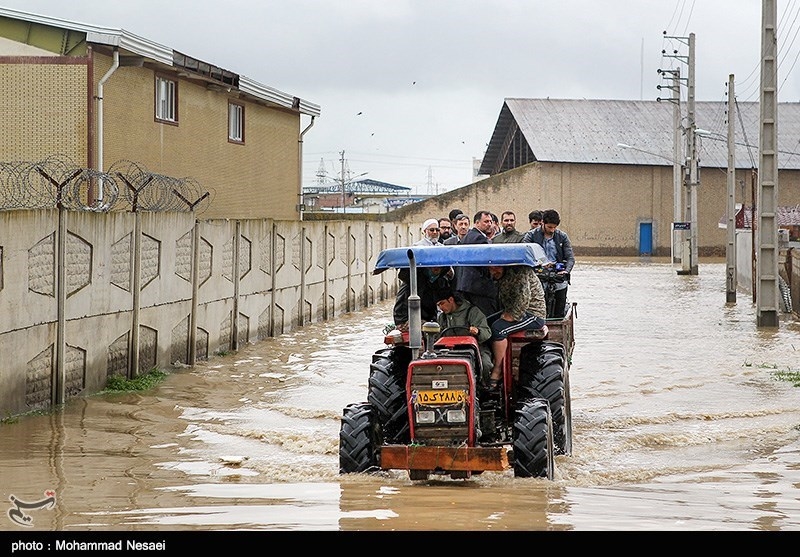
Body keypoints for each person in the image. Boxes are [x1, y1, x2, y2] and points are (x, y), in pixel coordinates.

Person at [485, 264, 547, 391]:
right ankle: (486, 362)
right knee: (486, 324)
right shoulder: (502, 276)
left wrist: (512, 315)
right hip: (512, 309)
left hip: (532, 313)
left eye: (496, 267)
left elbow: (524, 299)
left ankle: (498, 370)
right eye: (491, 268)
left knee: (498, 329)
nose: (493, 271)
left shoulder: (521, 272)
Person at [521, 209, 575, 318]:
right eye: (550, 227)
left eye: (554, 227)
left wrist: (566, 270)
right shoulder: (531, 236)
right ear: (543, 223)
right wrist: (538, 264)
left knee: (560, 304)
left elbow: (570, 258)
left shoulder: (562, 236)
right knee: (536, 306)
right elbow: (524, 255)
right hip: (538, 275)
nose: (552, 230)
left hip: (558, 275)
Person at [434, 287, 493, 383]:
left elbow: (487, 332)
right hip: (449, 350)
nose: (441, 307)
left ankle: (483, 387)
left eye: (442, 303)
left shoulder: (472, 311)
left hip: (474, 348)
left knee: (485, 364)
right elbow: (437, 337)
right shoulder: (442, 318)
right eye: (438, 305)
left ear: (451, 300)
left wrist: (478, 331)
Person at [456, 211, 499, 317]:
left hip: (467, 286)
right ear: (477, 223)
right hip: (478, 288)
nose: (489, 224)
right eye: (486, 221)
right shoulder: (479, 238)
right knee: (487, 317)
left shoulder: (468, 236)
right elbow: (484, 264)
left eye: (490, 221)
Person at [392, 266, 450, 331]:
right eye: (432, 266)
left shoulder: (441, 281)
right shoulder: (413, 278)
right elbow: (401, 305)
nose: (436, 268)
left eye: (439, 266)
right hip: (406, 319)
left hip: (429, 319)